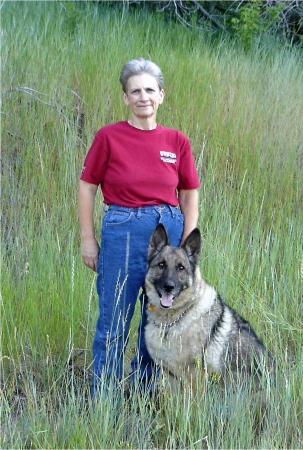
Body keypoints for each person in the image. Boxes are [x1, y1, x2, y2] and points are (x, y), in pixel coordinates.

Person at [78, 57, 200, 397]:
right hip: (123, 231)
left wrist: (187, 247)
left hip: (169, 235)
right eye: (135, 91)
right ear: (125, 98)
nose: (143, 96)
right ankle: (105, 402)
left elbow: (189, 194)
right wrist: (88, 239)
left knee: (157, 322)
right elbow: (87, 187)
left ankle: (144, 396)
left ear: (161, 95)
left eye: (149, 89)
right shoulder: (109, 137)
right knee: (114, 322)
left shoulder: (177, 141)